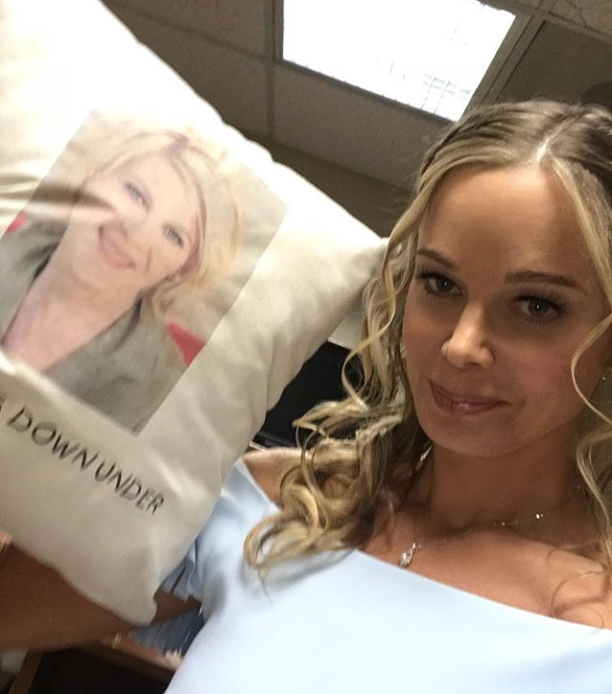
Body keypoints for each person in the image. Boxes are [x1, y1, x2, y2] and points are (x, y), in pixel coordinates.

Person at [3, 99, 612, 692]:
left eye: (537, 306)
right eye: (439, 282)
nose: (461, 345)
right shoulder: (274, 501)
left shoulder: (594, 634)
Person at [0, 127, 239, 431]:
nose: (135, 234)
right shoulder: (9, 238)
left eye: (173, 234)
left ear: (181, 270)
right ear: (92, 177)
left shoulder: (160, 386)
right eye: (136, 193)